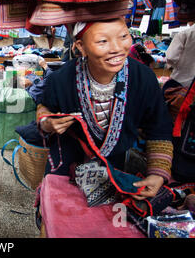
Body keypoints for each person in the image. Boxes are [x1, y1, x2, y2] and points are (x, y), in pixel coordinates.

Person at [37, 18, 174, 201]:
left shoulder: (144, 78)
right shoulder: (61, 79)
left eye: (124, 36)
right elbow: (44, 108)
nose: (117, 48)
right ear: (81, 46)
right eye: (103, 41)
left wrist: (157, 173)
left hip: (118, 172)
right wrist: (47, 123)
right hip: (67, 168)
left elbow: (159, 128)